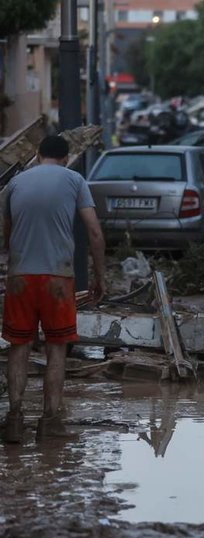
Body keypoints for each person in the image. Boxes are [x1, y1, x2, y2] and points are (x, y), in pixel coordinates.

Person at [2, 135, 106, 443]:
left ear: (37, 153)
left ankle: (15, 421)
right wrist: (100, 277)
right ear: (66, 156)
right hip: (58, 280)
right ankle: (49, 423)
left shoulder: (16, 184)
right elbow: (95, 232)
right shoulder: (75, 180)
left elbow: (6, 238)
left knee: (18, 348)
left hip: (20, 278)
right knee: (56, 349)